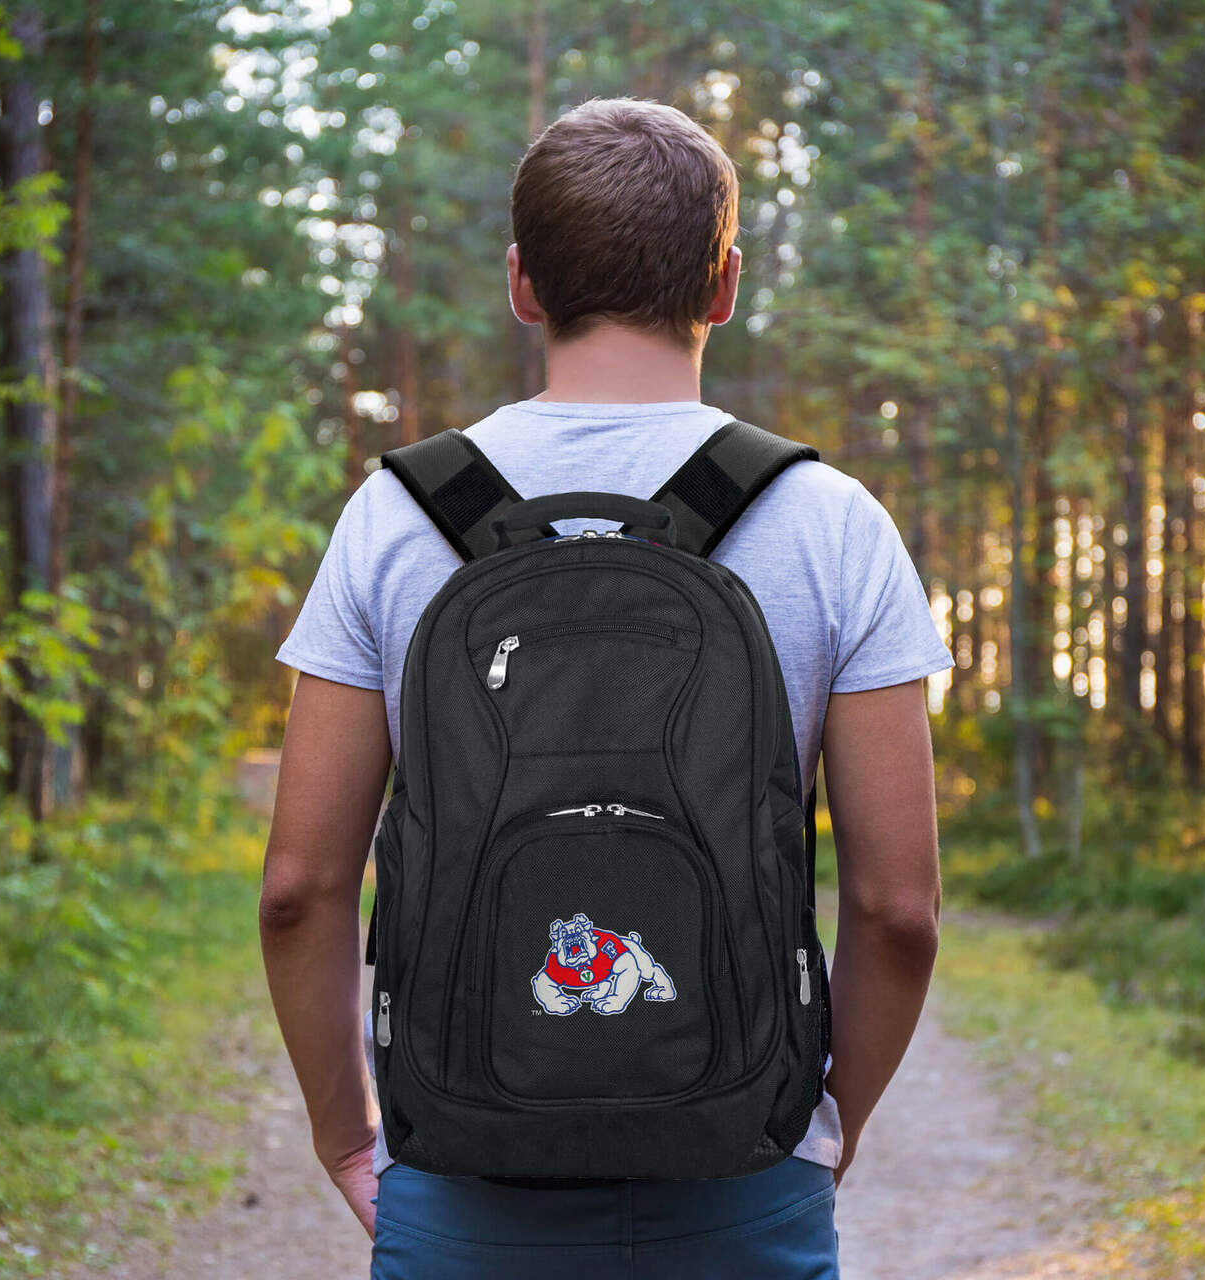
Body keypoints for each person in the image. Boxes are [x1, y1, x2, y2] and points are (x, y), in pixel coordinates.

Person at [261, 96, 952, 1280]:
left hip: (463, 1178)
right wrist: (812, 1138)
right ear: (724, 283)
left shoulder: (393, 518)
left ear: (523, 284)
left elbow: (299, 887)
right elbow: (898, 910)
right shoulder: (830, 524)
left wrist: (348, 1138)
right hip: (741, 1175)